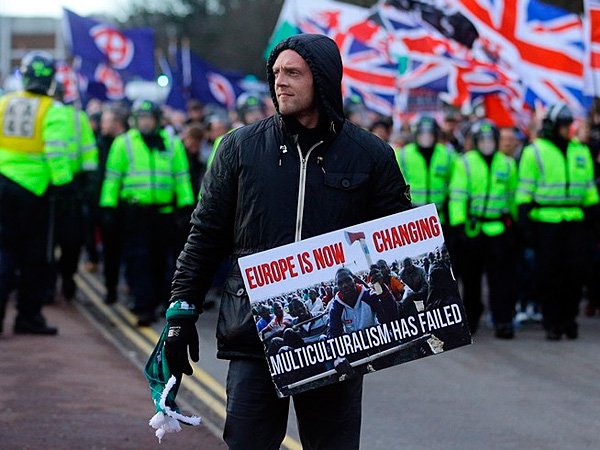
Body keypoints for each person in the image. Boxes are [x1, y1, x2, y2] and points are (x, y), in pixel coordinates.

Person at [162, 33, 411, 450]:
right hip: (255, 332)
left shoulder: (371, 154)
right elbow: (204, 235)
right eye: (276, 72)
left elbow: (397, 242)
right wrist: (181, 310)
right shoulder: (239, 148)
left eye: (293, 73)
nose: (280, 81)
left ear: (323, 79)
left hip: (336, 341)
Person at [99, 99, 195, 326]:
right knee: (139, 260)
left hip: (164, 214)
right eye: (141, 118)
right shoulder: (124, 143)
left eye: (148, 118)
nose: (145, 122)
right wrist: (108, 207)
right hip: (136, 214)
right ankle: (143, 307)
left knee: (163, 261)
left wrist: (186, 206)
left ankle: (161, 301)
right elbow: (112, 179)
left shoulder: (172, 143)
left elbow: (182, 178)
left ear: (157, 120)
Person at [0, 51, 72, 335]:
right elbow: (56, 154)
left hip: (2, 184)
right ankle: (28, 317)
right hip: (34, 193)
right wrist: (64, 185)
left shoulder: (5, 102)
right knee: (34, 257)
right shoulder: (54, 110)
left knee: (3, 252)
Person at [516, 103, 600, 340]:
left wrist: (595, 219)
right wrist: (525, 224)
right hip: (546, 222)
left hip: (575, 221)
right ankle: (552, 322)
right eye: (563, 125)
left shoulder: (580, 151)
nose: (567, 129)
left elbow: (589, 190)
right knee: (550, 275)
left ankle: (569, 318)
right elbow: (524, 192)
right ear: (553, 126)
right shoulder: (534, 151)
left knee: (576, 273)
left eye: (569, 124)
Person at [448, 120, 518, 338]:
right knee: (471, 280)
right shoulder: (465, 163)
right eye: (483, 140)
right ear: (476, 142)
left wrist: (516, 224)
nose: (487, 144)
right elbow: (457, 196)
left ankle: (503, 321)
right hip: (473, 229)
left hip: (498, 229)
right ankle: (471, 319)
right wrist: (459, 225)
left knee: (502, 279)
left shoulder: (507, 164)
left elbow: (512, 196)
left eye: (490, 140)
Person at [51, 84, 99, 300]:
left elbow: (89, 151)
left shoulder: (76, 118)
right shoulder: (74, 117)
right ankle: (57, 281)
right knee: (58, 240)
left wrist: (87, 185)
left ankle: (63, 279)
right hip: (57, 188)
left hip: (66, 188)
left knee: (66, 241)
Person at [396, 115, 455, 225]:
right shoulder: (403, 154)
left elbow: (453, 183)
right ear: (416, 134)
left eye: (429, 134)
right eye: (422, 134)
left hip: (438, 216)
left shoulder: (446, 154)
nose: (426, 138)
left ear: (435, 135)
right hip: (412, 216)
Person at [97, 105, 128, 304]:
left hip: (127, 207)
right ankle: (111, 289)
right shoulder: (100, 142)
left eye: (105, 121)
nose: (102, 125)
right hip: (107, 207)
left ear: (117, 123)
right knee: (111, 252)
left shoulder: (128, 142)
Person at [328, 267, 399, 338]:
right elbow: (334, 333)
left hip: (375, 337)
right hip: (355, 342)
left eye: (348, 280)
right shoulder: (336, 307)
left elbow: (391, 316)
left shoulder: (368, 296)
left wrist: (383, 288)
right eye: (340, 283)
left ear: (354, 280)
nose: (345, 285)